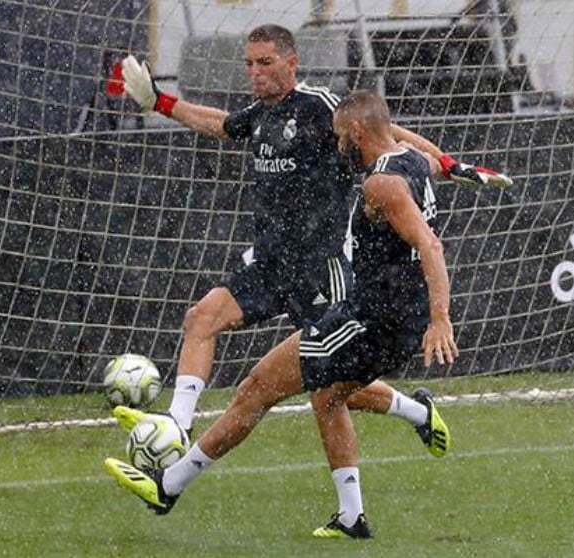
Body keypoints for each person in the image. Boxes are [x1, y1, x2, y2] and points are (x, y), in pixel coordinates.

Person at [112, 24, 505, 442]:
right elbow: (221, 124)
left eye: (265, 62)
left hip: (322, 268)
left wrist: (449, 164)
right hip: (270, 261)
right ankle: (177, 427)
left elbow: (386, 132)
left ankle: (415, 412)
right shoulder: (260, 115)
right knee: (201, 319)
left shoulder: (318, 105)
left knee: (331, 385)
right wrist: (160, 102)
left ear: (292, 63)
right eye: (249, 63)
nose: (255, 71)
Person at [105, 89, 458, 538]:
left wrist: (440, 317)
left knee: (256, 389)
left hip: (367, 320)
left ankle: (168, 487)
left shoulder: (380, 184)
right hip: (395, 322)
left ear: (354, 132)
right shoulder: (413, 161)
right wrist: (456, 167)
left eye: (338, 137)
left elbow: (429, 245)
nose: (336, 146)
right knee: (327, 397)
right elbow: (430, 162)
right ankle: (352, 517)